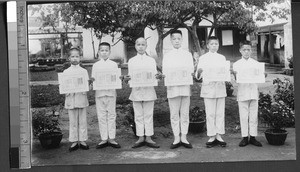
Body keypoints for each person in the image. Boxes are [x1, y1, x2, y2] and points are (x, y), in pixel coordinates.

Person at [124, 37, 160, 149]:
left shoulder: (151, 60)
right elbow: (129, 77)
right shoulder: (131, 61)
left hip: (149, 91)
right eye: (138, 44)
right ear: (135, 46)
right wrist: (127, 79)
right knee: (138, 115)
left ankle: (148, 137)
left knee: (148, 114)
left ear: (146, 46)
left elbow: (155, 76)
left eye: (143, 44)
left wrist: (157, 78)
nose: (140, 47)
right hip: (137, 91)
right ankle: (140, 137)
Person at [162, 30, 194, 149]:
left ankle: (184, 137)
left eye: (178, 38)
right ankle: (176, 137)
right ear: (171, 40)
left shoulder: (187, 54)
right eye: (174, 39)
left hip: (185, 87)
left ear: (182, 40)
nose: (176, 41)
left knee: (185, 113)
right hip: (173, 88)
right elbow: (165, 72)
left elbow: (190, 70)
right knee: (174, 114)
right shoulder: (167, 55)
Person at [195, 36, 227, 148]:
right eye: (212, 44)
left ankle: (219, 135)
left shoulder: (222, 58)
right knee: (210, 113)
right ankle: (211, 135)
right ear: (208, 45)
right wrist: (199, 72)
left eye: (216, 44)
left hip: (220, 87)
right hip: (208, 88)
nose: (214, 46)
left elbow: (225, 72)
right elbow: (198, 76)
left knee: (219, 113)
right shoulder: (203, 58)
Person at [91, 42, 122, 149]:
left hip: (111, 93)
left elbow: (116, 78)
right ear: (99, 52)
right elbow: (93, 79)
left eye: (106, 50)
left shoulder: (114, 64)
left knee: (111, 115)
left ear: (109, 51)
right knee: (101, 115)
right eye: (102, 50)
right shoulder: (95, 65)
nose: (104, 52)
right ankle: (104, 138)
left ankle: (112, 138)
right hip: (99, 93)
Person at [232, 40, 263, 147]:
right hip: (242, 93)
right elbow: (236, 80)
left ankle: (253, 137)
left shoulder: (256, 64)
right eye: (244, 50)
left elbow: (260, 76)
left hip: (253, 92)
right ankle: (245, 137)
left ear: (251, 51)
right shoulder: (236, 65)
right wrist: (235, 75)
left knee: (253, 116)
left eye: (248, 50)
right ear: (240, 51)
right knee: (244, 116)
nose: (246, 52)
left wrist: (263, 76)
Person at [63, 47, 90, 152]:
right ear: (69, 58)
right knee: (73, 121)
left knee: (82, 120)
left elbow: (87, 85)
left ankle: (82, 140)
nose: (75, 59)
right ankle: (74, 141)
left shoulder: (83, 71)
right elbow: (63, 86)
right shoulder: (65, 72)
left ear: (80, 58)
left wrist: (87, 85)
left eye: (77, 56)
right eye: (72, 56)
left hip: (81, 98)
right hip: (71, 98)